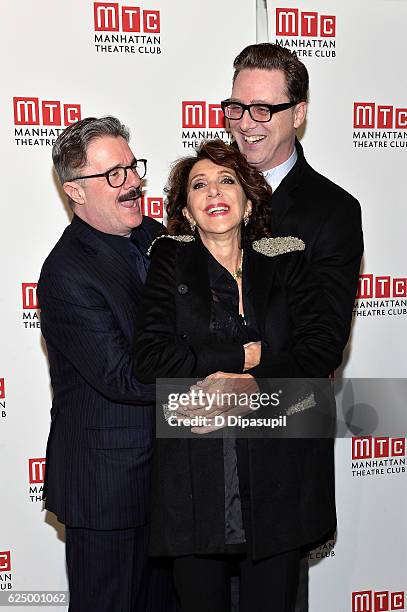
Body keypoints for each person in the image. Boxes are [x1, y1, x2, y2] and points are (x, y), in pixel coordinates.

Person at [133, 139, 343, 612]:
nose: (214, 192)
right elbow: (150, 357)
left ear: (248, 202)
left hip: (279, 476)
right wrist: (245, 355)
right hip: (196, 479)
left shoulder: (285, 257)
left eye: (227, 181)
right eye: (199, 185)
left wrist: (255, 381)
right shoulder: (169, 261)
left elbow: (319, 349)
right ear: (187, 211)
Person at [221, 43, 364, 610]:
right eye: (236, 107)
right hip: (197, 457)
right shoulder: (201, 192)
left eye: (263, 109)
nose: (246, 123)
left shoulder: (332, 209)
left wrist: (240, 369)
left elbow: (323, 341)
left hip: (278, 454)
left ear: (297, 113)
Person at [37, 116, 176, 612]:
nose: (134, 181)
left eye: (132, 167)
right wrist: (216, 377)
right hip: (108, 493)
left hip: (172, 484)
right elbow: (122, 375)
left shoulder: (157, 238)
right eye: (114, 174)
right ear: (76, 192)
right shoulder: (66, 273)